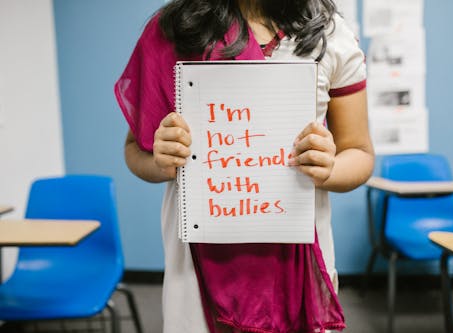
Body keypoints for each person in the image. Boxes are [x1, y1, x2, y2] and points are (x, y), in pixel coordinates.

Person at [115, 0, 374, 332]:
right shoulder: (174, 31)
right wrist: (162, 161)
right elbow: (135, 152)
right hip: (197, 267)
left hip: (298, 263)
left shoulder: (329, 34)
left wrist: (329, 168)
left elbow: (359, 153)